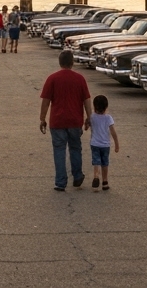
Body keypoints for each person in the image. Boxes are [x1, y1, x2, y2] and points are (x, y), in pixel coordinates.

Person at [39, 50, 92, 191]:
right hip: (75, 120)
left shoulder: (52, 78)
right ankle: (77, 176)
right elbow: (86, 99)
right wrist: (89, 117)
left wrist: (42, 118)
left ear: (60, 62)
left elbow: (46, 101)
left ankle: (60, 182)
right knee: (75, 148)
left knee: (59, 150)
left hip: (57, 121)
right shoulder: (80, 79)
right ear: (72, 62)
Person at [89, 94, 119, 192]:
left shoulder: (92, 117)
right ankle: (105, 181)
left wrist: (85, 126)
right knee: (105, 163)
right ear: (106, 107)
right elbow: (113, 132)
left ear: (94, 106)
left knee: (96, 162)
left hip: (94, 144)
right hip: (105, 145)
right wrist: (116, 144)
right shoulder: (108, 118)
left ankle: (96, 176)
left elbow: (86, 126)